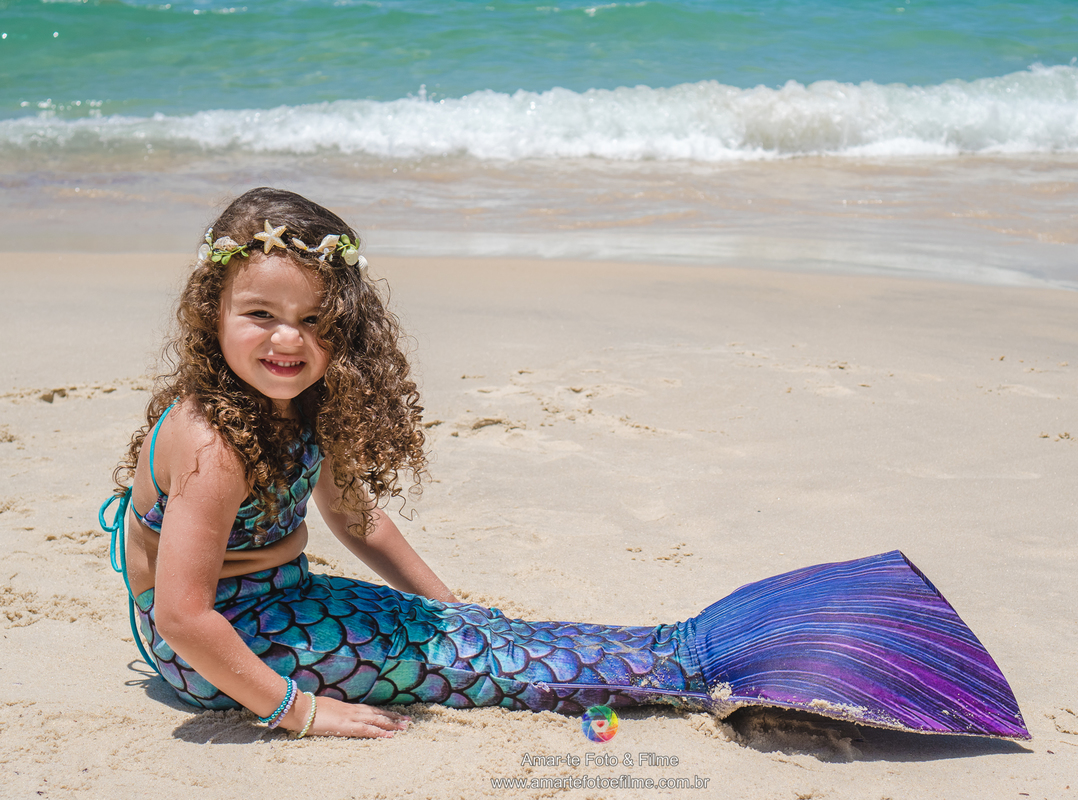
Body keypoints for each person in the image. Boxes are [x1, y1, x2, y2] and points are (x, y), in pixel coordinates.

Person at [100, 188, 1028, 742]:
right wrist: (300, 711)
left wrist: (445, 600)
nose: (287, 340)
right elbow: (182, 615)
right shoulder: (216, 444)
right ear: (210, 310)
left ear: (346, 328)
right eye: (260, 314)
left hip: (274, 599)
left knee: (473, 635)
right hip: (214, 651)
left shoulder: (304, 405)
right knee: (473, 668)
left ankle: (680, 649)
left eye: (314, 321)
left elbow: (355, 519)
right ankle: (685, 664)